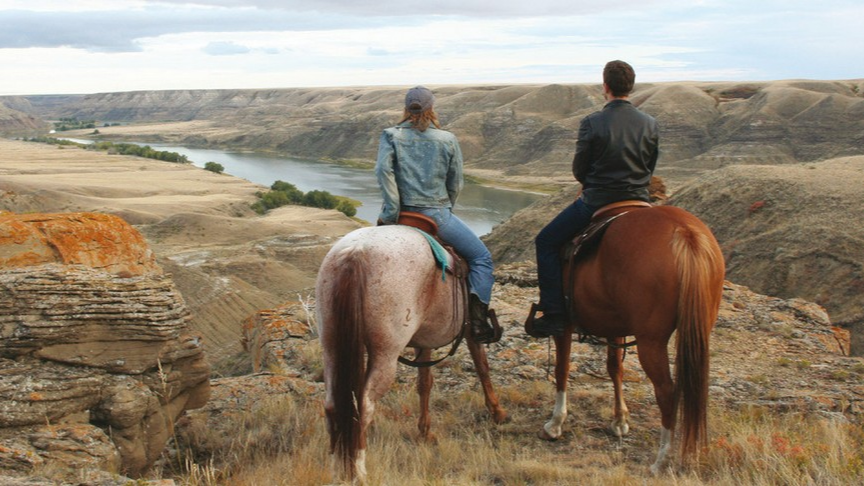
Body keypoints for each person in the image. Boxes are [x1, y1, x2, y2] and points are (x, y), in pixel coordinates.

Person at [529, 60, 659, 338]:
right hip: (639, 198)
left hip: (598, 201)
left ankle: (553, 313)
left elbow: (580, 170)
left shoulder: (592, 122)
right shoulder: (650, 123)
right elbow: (650, 165)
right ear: (630, 87)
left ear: (605, 87)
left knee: (546, 241)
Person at [376, 86, 497, 344]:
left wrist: (391, 212)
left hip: (400, 215)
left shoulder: (390, 136)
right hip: (436, 215)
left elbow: (383, 173)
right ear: (432, 108)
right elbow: (456, 183)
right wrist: (445, 208)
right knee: (481, 258)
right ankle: (477, 322)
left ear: (406, 108)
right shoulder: (446, 139)